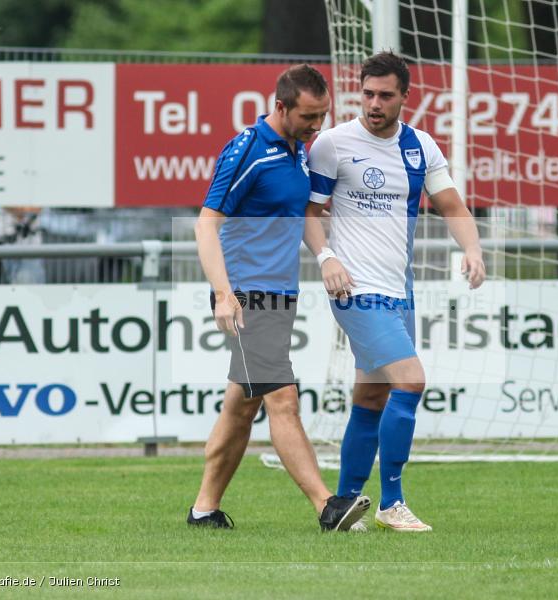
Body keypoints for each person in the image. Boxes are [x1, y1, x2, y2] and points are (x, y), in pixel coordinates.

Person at [304, 52, 486, 532]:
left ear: (405, 97)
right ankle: (392, 502)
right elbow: (309, 212)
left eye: (385, 95)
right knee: (410, 381)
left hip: (397, 291)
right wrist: (327, 259)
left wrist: (473, 250)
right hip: (353, 289)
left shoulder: (420, 147)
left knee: (371, 399)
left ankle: (341, 505)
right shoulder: (333, 144)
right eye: (367, 94)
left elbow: (452, 204)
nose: (374, 103)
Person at [188, 64, 371, 532]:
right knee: (283, 401)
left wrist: (326, 255)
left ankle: (204, 510)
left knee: (242, 406)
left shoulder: (298, 151)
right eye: (309, 117)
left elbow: (301, 214)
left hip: (279, 295)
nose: (318, 126)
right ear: (281, 106)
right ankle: (328, 506)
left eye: (323, 116)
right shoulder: (247, 148)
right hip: (247, 297)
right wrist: (224, 296)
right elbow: (206, 223)